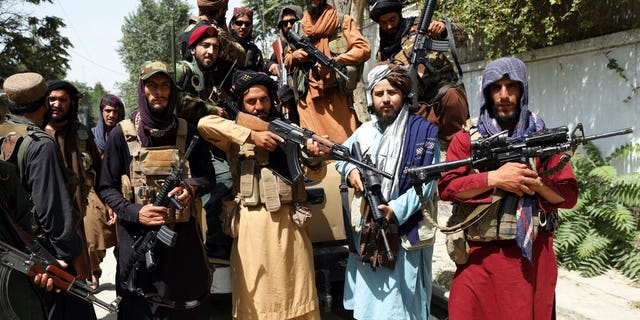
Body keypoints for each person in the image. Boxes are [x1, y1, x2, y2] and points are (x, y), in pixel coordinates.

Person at [437, 57, 579, 319]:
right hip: (480, 259)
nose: (504, 95)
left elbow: (568, 196)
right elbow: (448, 187)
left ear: (522, 90)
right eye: (496, 87)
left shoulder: (542, 137)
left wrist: (535, 183)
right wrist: (495, 179)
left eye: (511, 86)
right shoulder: (467, 137)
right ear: (486, 92)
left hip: (533, 259)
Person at [197, 70, 326, 319]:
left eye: (264, 100)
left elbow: (317, 176)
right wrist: (251, 135)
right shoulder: (236, 135)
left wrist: (316, 157)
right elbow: (205, 125)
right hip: (251, 228)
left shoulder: (290, 132)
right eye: (251, 101)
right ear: (242, 105)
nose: (259, 106)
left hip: (291, 228)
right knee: (256, 303)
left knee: (297, 300)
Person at [99, 61, 215, 319]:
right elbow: (106, 187)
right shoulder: (123, 135)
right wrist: (135, 212)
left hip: (183, 243)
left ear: (172, 91)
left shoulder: (187, 131)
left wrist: (191, 188)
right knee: (139, 306)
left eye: (164, 86)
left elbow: (209, 177)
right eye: (152, 85)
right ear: (143, 90)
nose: (158, 92)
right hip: (138, 240)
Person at [335, 63, 439, 319]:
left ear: (403, 94)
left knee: (405, 306)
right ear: (371, 98)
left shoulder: (422, 133)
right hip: (371, 230)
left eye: (391, 92)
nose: (385, 99)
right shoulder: (365, 132)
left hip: (406, 230)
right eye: (379, 94)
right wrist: (351, 172)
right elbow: (340, 156)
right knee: (372, 306)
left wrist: (396, 209)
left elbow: (429, 182)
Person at [1, 73, 92, 319]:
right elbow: (52, 213)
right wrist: (75, 257)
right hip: (42, 257)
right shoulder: (40, 144)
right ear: (44, 103)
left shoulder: (3, 133)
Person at [369, 0, 469, 154]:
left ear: (399, 15)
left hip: (441, 93)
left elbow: (463, 38)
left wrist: (443, 28)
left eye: (392, 20)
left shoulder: (420, 25)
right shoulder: (383, 52)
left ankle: (456, 149)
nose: (388, 26)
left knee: (451, 95)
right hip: (416, 104)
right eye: (383, 23)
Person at [175, 24, 234, 262]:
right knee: (220, 182)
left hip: (203, 143)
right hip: (182, 143)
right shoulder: (183, 68)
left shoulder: (209, 77)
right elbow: (174, 99)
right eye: (205, 46)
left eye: (215, 47)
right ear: (192, 49)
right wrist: (210, 109)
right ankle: (212, 247)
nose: (210, 51)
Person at [285, 0, 371, 143]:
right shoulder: (298, 27)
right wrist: (295, 56)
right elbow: (286, 59)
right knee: (314, 151)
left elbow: (363, 49)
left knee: (344, 148)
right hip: (308, 100)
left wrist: (337, 61)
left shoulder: (342, 21)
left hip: (336, 97)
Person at [86, 94, 123, 288]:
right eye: (108, 111)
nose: (111, 115)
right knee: (92, 240)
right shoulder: (91, 137)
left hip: (121, 193)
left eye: (116, 111)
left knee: (124, 243)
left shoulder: (126, 135)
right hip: (96, 193)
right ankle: (94, 272)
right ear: (101, 113)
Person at [266, 5, 304, 124]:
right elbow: (268, 63)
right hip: (288, 103)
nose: (289, 26)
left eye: (293, 21)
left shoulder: (309, 43)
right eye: (285, 23)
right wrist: (271, 66)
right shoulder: (282, 45)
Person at [228, 7, 265, 72]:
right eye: (239, 23)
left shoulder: (254, 50)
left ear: (251, 27)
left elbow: (261, 71)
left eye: (247, 24)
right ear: (232, 25)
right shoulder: (225, 45)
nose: (243, 27)